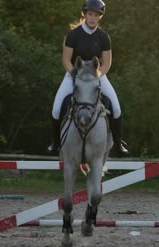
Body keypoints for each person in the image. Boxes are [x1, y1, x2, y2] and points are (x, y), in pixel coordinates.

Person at [48, 0, 129, 156]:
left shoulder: (104, 37)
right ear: (84, 14)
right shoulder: (73, 35)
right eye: (90, 14)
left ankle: (118, 144)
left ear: (100, 17)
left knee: (116, 107)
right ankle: (55, 144)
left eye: (96, 15)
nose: (92, 18)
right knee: (57, 107)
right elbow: (66, 60)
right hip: (74, 73)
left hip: (96, 74)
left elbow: (107, 63)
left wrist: (96, 76)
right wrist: (75, 75)